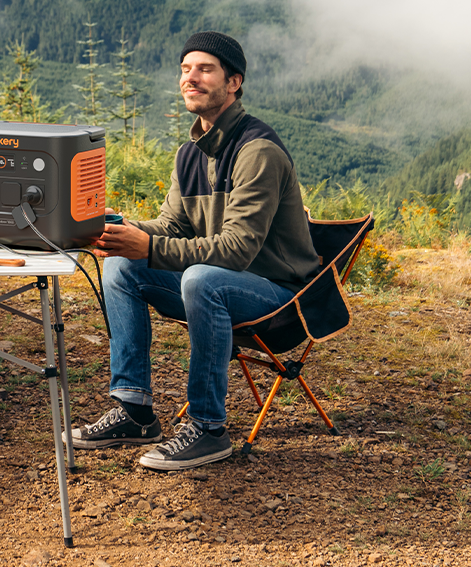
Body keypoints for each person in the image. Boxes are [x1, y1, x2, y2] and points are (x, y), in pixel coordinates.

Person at [67, 32, 318, 470]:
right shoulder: (190, 154)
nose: (191, 78)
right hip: (220, 285)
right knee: (123, 266)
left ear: (233, 82)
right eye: (185, 69)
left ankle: (208, 428)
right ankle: (135, 411)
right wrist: (117, 229)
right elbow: (171, 227)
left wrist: (149, 244)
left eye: (205, 69)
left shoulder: (257, 151)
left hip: (279, 297)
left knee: (203, 278)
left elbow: (237, 251)